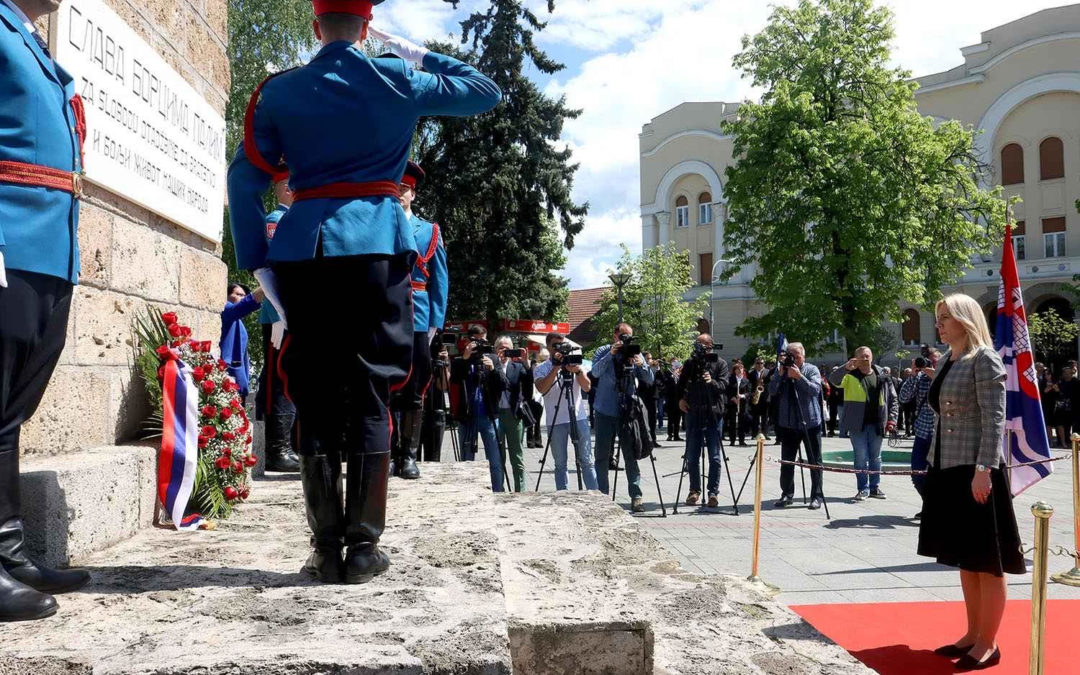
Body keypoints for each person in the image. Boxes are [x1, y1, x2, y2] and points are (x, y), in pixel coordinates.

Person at [226, 0, 501, 584]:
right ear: (368, 25)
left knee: (316, 390)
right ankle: (364, 548)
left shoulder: (278, 92)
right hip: (377, 246)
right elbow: (483, 89)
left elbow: (243, 177)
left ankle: (324, 547)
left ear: (315, 24)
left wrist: (256, 258)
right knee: (374, 389)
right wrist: (412, 50)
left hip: (304, 250)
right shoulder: (395, 77)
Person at [0, 0, 93, 622]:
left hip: (47, 249)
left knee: (9, 412)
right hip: (7, 236)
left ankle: (7, 551)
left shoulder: (27, 39)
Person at [919, 294, 1024, 671]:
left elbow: (994, 418)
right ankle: (972, 633)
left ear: (965, 318)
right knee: (967, 558)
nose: (940, 324)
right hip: (947, 467)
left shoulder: (985, 358)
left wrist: (984, 469)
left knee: (987, 561)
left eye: (946, 317)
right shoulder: (949, 359)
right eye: (938, 317)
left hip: (976, 470)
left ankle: (988, 643)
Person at [388, 160, 448, 480]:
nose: (399, 193)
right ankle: (385, 451)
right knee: (383, 385)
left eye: (404, 189)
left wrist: (435, 323)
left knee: (414, 386)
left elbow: (441, 280)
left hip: (418, 317)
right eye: (394, 187)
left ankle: (408, 454)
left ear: (413, 193)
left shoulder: (430, 231)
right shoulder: (378, 224)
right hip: (384, 315)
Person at [253, 179, 301, 472]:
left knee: (290, 378)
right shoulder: (276, 220)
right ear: (285, 188)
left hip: (290, 313)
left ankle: (287, 445)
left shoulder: (290, 220)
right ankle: (276, 448)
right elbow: (277, 269)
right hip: (278, 315)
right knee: (279, 381)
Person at [592, 323, 655, 512]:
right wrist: (611, 354)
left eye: (628, 336)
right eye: (622, 336)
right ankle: (602, 495)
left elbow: (649, 379)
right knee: (602, 456)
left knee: (630, 454)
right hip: (604, 410)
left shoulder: (635, 353)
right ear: (614, 336)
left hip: (627, 412)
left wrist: (641, 364)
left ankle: (636, 496)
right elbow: (595, 372)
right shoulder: (603, 351)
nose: (625, 339)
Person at [829, 346, 898, 501]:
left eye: (868, 355)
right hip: (856, 425)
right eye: (862, 356)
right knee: (860, 457)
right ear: (856, 359)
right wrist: (845, 367)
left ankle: (874, 487)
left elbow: (893, 399)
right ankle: (863, 488)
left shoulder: (882, 375)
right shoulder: (849, 375)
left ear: (872, 357)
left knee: (876, 457)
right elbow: (833, 380)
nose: (865, 358)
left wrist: (892, 419)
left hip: (878, 423)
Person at [533, 333, 598, 491]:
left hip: (578, 417)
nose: (560, 349)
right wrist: (556, 367)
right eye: (556, 346)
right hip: (555, 421)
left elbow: (587, 387)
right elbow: (542, 388)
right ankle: (563, 496)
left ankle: (594, 495)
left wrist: (577, 371)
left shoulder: (574, 363)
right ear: (548, 347)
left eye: (563, 345)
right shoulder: (542, 368)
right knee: (560, 463)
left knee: (587, 461)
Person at [768, 343, 825, 510]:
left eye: (797, 356)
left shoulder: (811, 369)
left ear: (803, 357)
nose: (794, 359)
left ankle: (816, 496)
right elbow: (771, 391)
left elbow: (815, 390)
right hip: (788, 423)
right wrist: (779, 375)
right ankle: (787, 493)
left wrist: (799, 377)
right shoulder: (781, 371)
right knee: (787, 462)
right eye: (791, 356)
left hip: (810, 422)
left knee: (815, 461)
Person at [678, 334, 730, 507]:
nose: (699, 346)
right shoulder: (690, 363)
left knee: (715, 456)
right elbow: (681, 384)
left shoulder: (720, 363)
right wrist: (681, 399)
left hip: (713, 413)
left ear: (710, 345)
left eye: (703, 344)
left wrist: (711, 381)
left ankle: (713, 492)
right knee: (692, 456)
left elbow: (724, 386)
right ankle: (694, 491)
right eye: (697, 344)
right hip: (694, 412)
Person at [451, 326, 505, 491]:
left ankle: (498, 491)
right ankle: (467, 492)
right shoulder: (460, 361)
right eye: (477, 340)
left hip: (489, 417)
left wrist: (493, 369)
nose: (480, 343)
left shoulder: (493, 359)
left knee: (495, 460)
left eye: (483, 339)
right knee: (467, 460)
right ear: (469, 340)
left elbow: (504, 384)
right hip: (467, 417)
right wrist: (466, 358)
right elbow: (453, 381)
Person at [899, 349, 939, 517]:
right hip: (923, 431)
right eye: (929, 362)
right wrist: (914, 374)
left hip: (941, 435)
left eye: (935, 362)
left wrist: (937, 376)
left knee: (937, 476)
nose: (931, 365)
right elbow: (904, 397)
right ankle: (929, 504)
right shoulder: (920, 378)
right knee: (916, 473)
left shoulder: (949, 377)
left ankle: (935, 508)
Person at [493, 336, 532, 492]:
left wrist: (527, 365)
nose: (504, 350)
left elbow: (528, 390)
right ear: (495, 350)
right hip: (496, 414)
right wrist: (495, 365)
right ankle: (499, 488)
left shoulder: (517, 367)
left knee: (517, 456)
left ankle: (520, 490)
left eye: (507, 347)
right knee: (498, 456)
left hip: (513, 414)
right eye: (501, 347)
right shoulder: (491, 366)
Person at [220, 283, 266, 405]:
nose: (242, 298)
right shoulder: (226, 309)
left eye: (244, 295)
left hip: (239, 385)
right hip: (228, 381)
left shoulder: (239, 322)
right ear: (227, 295)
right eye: (238, 294)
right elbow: (242, 306)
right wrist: (265, 287)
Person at [420, 339, 451, 463]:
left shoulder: (442, 361)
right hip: (417, 409)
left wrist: (444, 363)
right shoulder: (418, 353)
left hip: (436, 409)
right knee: (412, 456)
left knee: (433, 459)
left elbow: (443, 386)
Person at [726, 362, 752, 446]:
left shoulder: (746, 381)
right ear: (735, 371)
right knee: (732, 422)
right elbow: (727, 391)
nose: (740, 370)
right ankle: (732, 440)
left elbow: (749, 393)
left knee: (742, 422)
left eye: (741, 368)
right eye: (738, 369)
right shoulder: (730, 380)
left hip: (742, 405)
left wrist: (742, 396)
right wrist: (732, 398)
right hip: (733, 404)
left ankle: (741, 440)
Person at [639, 352, 660, 448]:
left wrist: (658, 369)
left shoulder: (654, 368)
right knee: (643, 418)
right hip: (643, 396)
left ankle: (653, 440)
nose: (650, 360)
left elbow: (661, 380)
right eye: (647, 358)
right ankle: (644, 440)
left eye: (650, 358)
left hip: (653, 396)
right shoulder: (640, 368)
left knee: (652, 419)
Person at [748, 357, 771, 440]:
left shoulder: (768, 372)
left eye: (761, 363)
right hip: (755, 397)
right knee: (755, 417)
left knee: (765, 417)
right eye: (758, 363)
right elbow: (749, 385)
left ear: (763, 364)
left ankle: (765, 434)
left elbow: (770, 384)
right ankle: (754, 434)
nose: (759, 365)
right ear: (755, 364)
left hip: (765, 397)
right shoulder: (751, 373)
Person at [663, 360, 683, 442]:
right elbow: (665, 383)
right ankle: (670, 435)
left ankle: (676, 435)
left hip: (678, 400)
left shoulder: (681, 376)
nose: (676, 368)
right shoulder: (668, 374)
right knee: (670, 419)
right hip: (670, 400)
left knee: (678, 419)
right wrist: (672, 375)